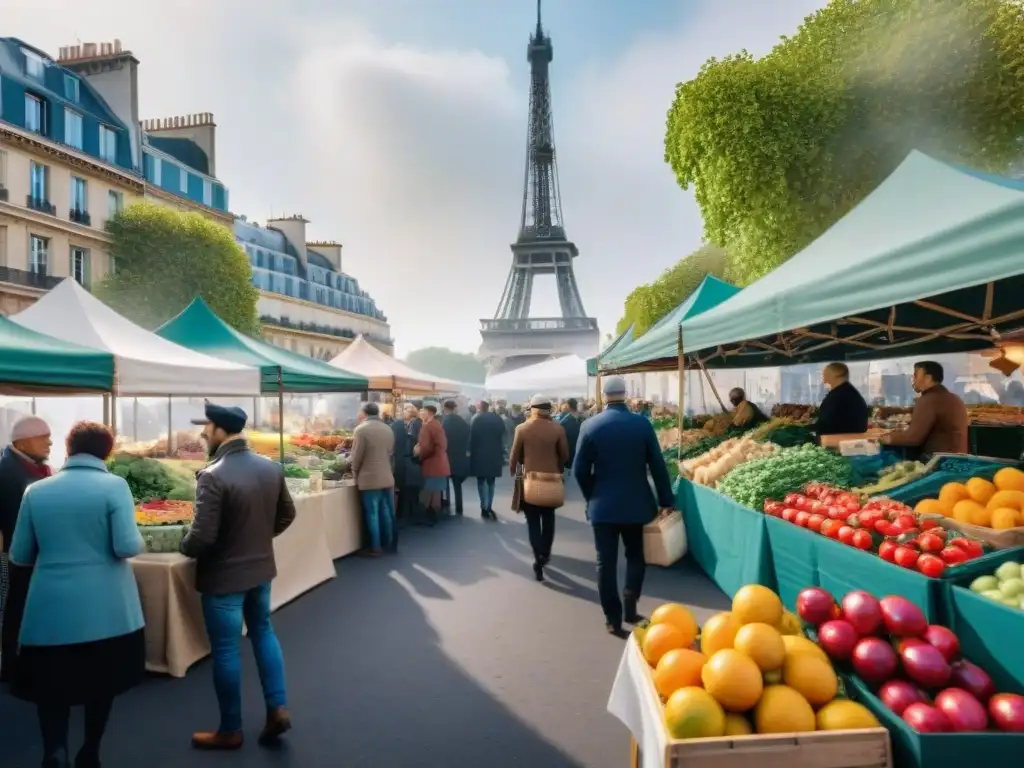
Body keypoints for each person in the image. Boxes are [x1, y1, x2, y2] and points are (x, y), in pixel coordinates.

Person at [9, 421, 145, 767]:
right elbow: (126, 545)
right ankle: (91, 751)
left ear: (68, 449)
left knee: (51, 688)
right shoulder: (115, 487)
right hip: (108, 611)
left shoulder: (36, 491)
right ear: (107, 451)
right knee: (101, 684)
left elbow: (20, 554)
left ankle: (55, 750)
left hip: (48, 611)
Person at [181, 402, 296, 750]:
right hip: (260, 569)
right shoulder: (271, 467)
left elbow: (202, 537)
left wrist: (184, 546)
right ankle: (277, 707)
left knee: (227, 650)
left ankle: (230, 729)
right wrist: (258, 540)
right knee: (262, 631)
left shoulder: (212, 475)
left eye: (208, 426)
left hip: (224, 578)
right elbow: (287, 515)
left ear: (220, 431)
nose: (203, 432)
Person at [573, 376, 675, 637]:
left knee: (604, 563)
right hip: (636, 503)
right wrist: (666, 500)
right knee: (635, 556)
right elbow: (657, 465)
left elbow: (579, 470)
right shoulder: (641, 424)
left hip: (602, 506)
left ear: (604, 397)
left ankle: (613, 618)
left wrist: (591, 495)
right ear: (625, 395)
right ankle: (631, 605)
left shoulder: (590, 426)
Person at [0, 415, 52, 685]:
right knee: (12, 609)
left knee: (23, 610)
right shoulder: (5, 470)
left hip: (31, 555)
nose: (50, 442)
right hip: (11, 555)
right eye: (43, 437)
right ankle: (10, 666)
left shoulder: (34, 468)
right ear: (22, 440)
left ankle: (23, 663)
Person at [510, 394, 569, 582]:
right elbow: (565, 455)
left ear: (533, 409)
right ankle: (545, 553)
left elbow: (515, 456)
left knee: (533, 520)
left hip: (529, 479)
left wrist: (517, 473)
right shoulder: (558, 429)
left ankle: (537, 558)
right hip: (551, 479)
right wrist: (557, 470)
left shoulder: (522, 428)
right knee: (549, 518)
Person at [881, 361, 969, 456]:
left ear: (928, 378)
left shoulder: (928, 400)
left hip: (937, 462)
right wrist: (889, 411)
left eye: (916, 376)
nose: (913, 380)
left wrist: (885, 438)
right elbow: (916, 411)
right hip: (958, 459)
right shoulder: (952, 397)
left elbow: (913, 438)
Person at [350, 402, 397, 556]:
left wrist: (354, 473)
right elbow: (391, 452)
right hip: (387, 476)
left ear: (364, 413)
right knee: (387, 511)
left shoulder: (361, 430)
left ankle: (375, 547)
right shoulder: (388, 428)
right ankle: (390, 543)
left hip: (369, 478)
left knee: (372, 513)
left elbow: (356, 457)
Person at [414, 402, 450, 525]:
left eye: (422, 411)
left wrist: (417, 452)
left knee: (427, 490)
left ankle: (425, 516)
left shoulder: (427, 426)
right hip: (441, 463)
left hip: (431, 463)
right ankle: (435, 515)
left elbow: (426, 447)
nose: (420, 413)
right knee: (436, 490)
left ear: (428, 413)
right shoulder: (437, 425)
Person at [469, 401, 506, 520]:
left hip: (480, 455)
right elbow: (503, 435)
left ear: (480, 407)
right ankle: (489, 505)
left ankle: (483, 506)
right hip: (495, 454)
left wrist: (469, 451)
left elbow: (472, 437)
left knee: (481, 481)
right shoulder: (497, 419)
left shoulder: (476, 419)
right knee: (491, 481)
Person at [812, 362, 870, 437]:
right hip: (842, 441)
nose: (823, 375)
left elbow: (827, 422)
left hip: (839, 442)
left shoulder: (841, 395)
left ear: (836, 375)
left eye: (826, 373)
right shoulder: (845, 391)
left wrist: (808, 429)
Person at [441, 400, 470, 516]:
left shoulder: (444, 422)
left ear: (445, 408)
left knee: (445, 482)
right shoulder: (462, 422)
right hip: (459, 455)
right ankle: (459, 507)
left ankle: (446, 502)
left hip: (447, 455)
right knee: (457, 485)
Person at [556, 397, 583, 470]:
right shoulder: (584, 419)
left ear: (568, 406)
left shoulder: (564, 422)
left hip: (569, 460)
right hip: (582, 458)